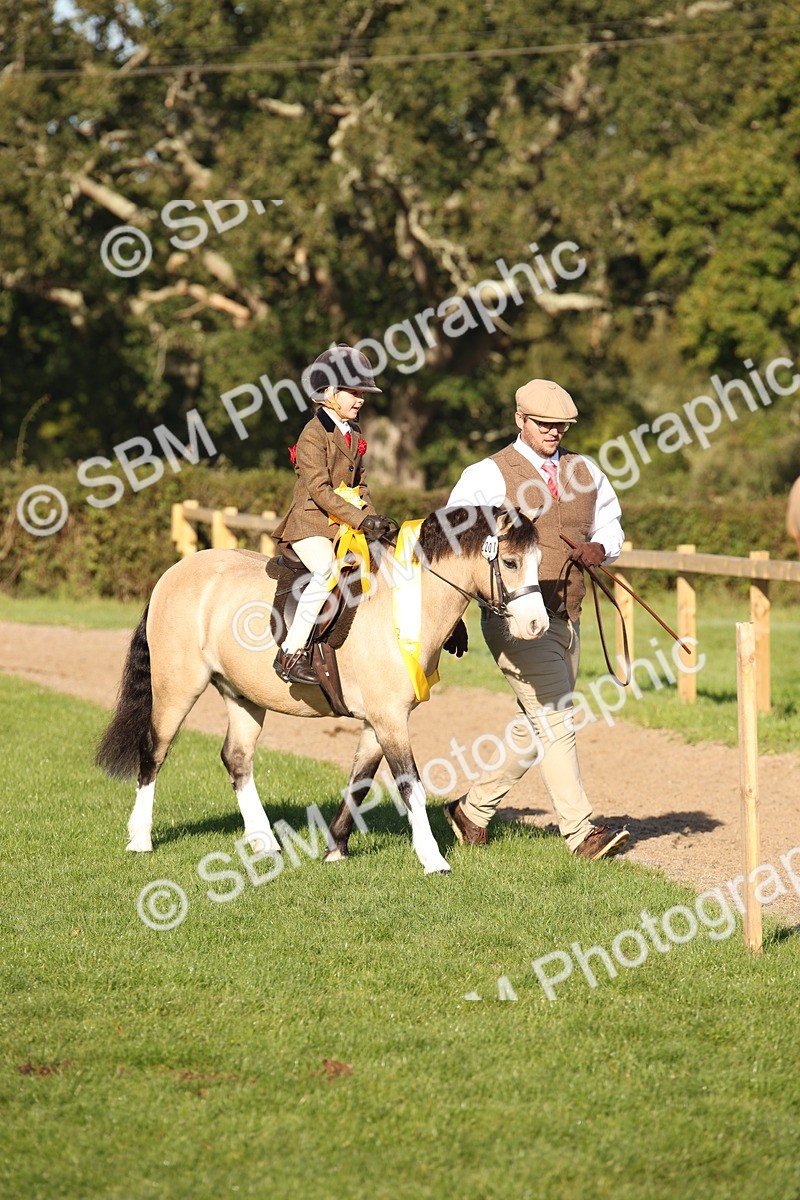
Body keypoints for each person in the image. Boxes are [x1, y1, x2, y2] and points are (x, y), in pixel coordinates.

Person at [444, 377, 630, 860]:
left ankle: (471, 812)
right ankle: (580, 832)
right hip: (511, 617)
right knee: (555, 718)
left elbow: (611, 525)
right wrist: (454, 615)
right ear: (519, 420)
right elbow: (453, 545)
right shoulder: (486, 475)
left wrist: (600, 547)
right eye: (544, 424)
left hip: (568, 612)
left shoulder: (585, 470)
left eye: (560, 426)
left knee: (537, 727)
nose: (553, 432)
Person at [272, 344, 392, 685]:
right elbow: (320, 490)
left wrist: (373, 518)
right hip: (310, 523)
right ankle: (290, 653)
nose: (360, 400)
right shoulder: (312, 434)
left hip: (342, 524)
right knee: (328, 571)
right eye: (353, 393)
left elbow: (361, 485)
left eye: (362, 393)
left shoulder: (354, 435)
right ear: (328, 393)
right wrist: (359, 520)